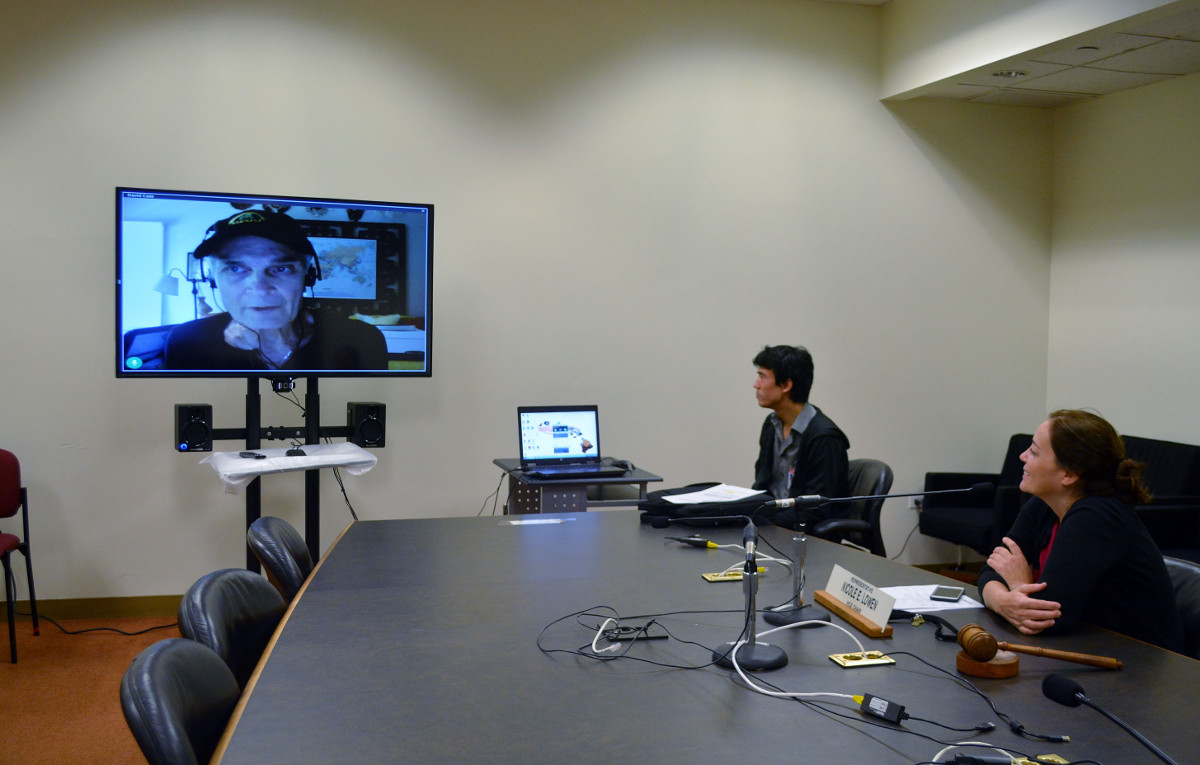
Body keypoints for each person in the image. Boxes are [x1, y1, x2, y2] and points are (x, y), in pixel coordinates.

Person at [977, 409, 1184, 652]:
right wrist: (1004, 601)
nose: (1022, 456)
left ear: (1069, 474)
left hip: (1141, 665)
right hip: (1083, 648)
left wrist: (1016, 584)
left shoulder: (1097, 518)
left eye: (1033, 451)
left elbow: (1047, 619)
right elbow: (989, 572)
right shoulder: (1044, 504)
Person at [164, 209, 387, 371]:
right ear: (212, 278)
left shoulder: (362, 339)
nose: (259, 289)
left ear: (307, 275)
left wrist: (279, 353)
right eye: (235, 268)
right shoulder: (187, 341)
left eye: (281, 268)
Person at [751, 345, 850, 529]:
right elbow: (762, 486)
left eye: (763, 376)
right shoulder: (771, 425)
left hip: (806, 535)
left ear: (786, 385)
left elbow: (816, 507)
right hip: (774, 525)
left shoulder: (825, 438)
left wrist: (765, 523)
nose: (756, 384)